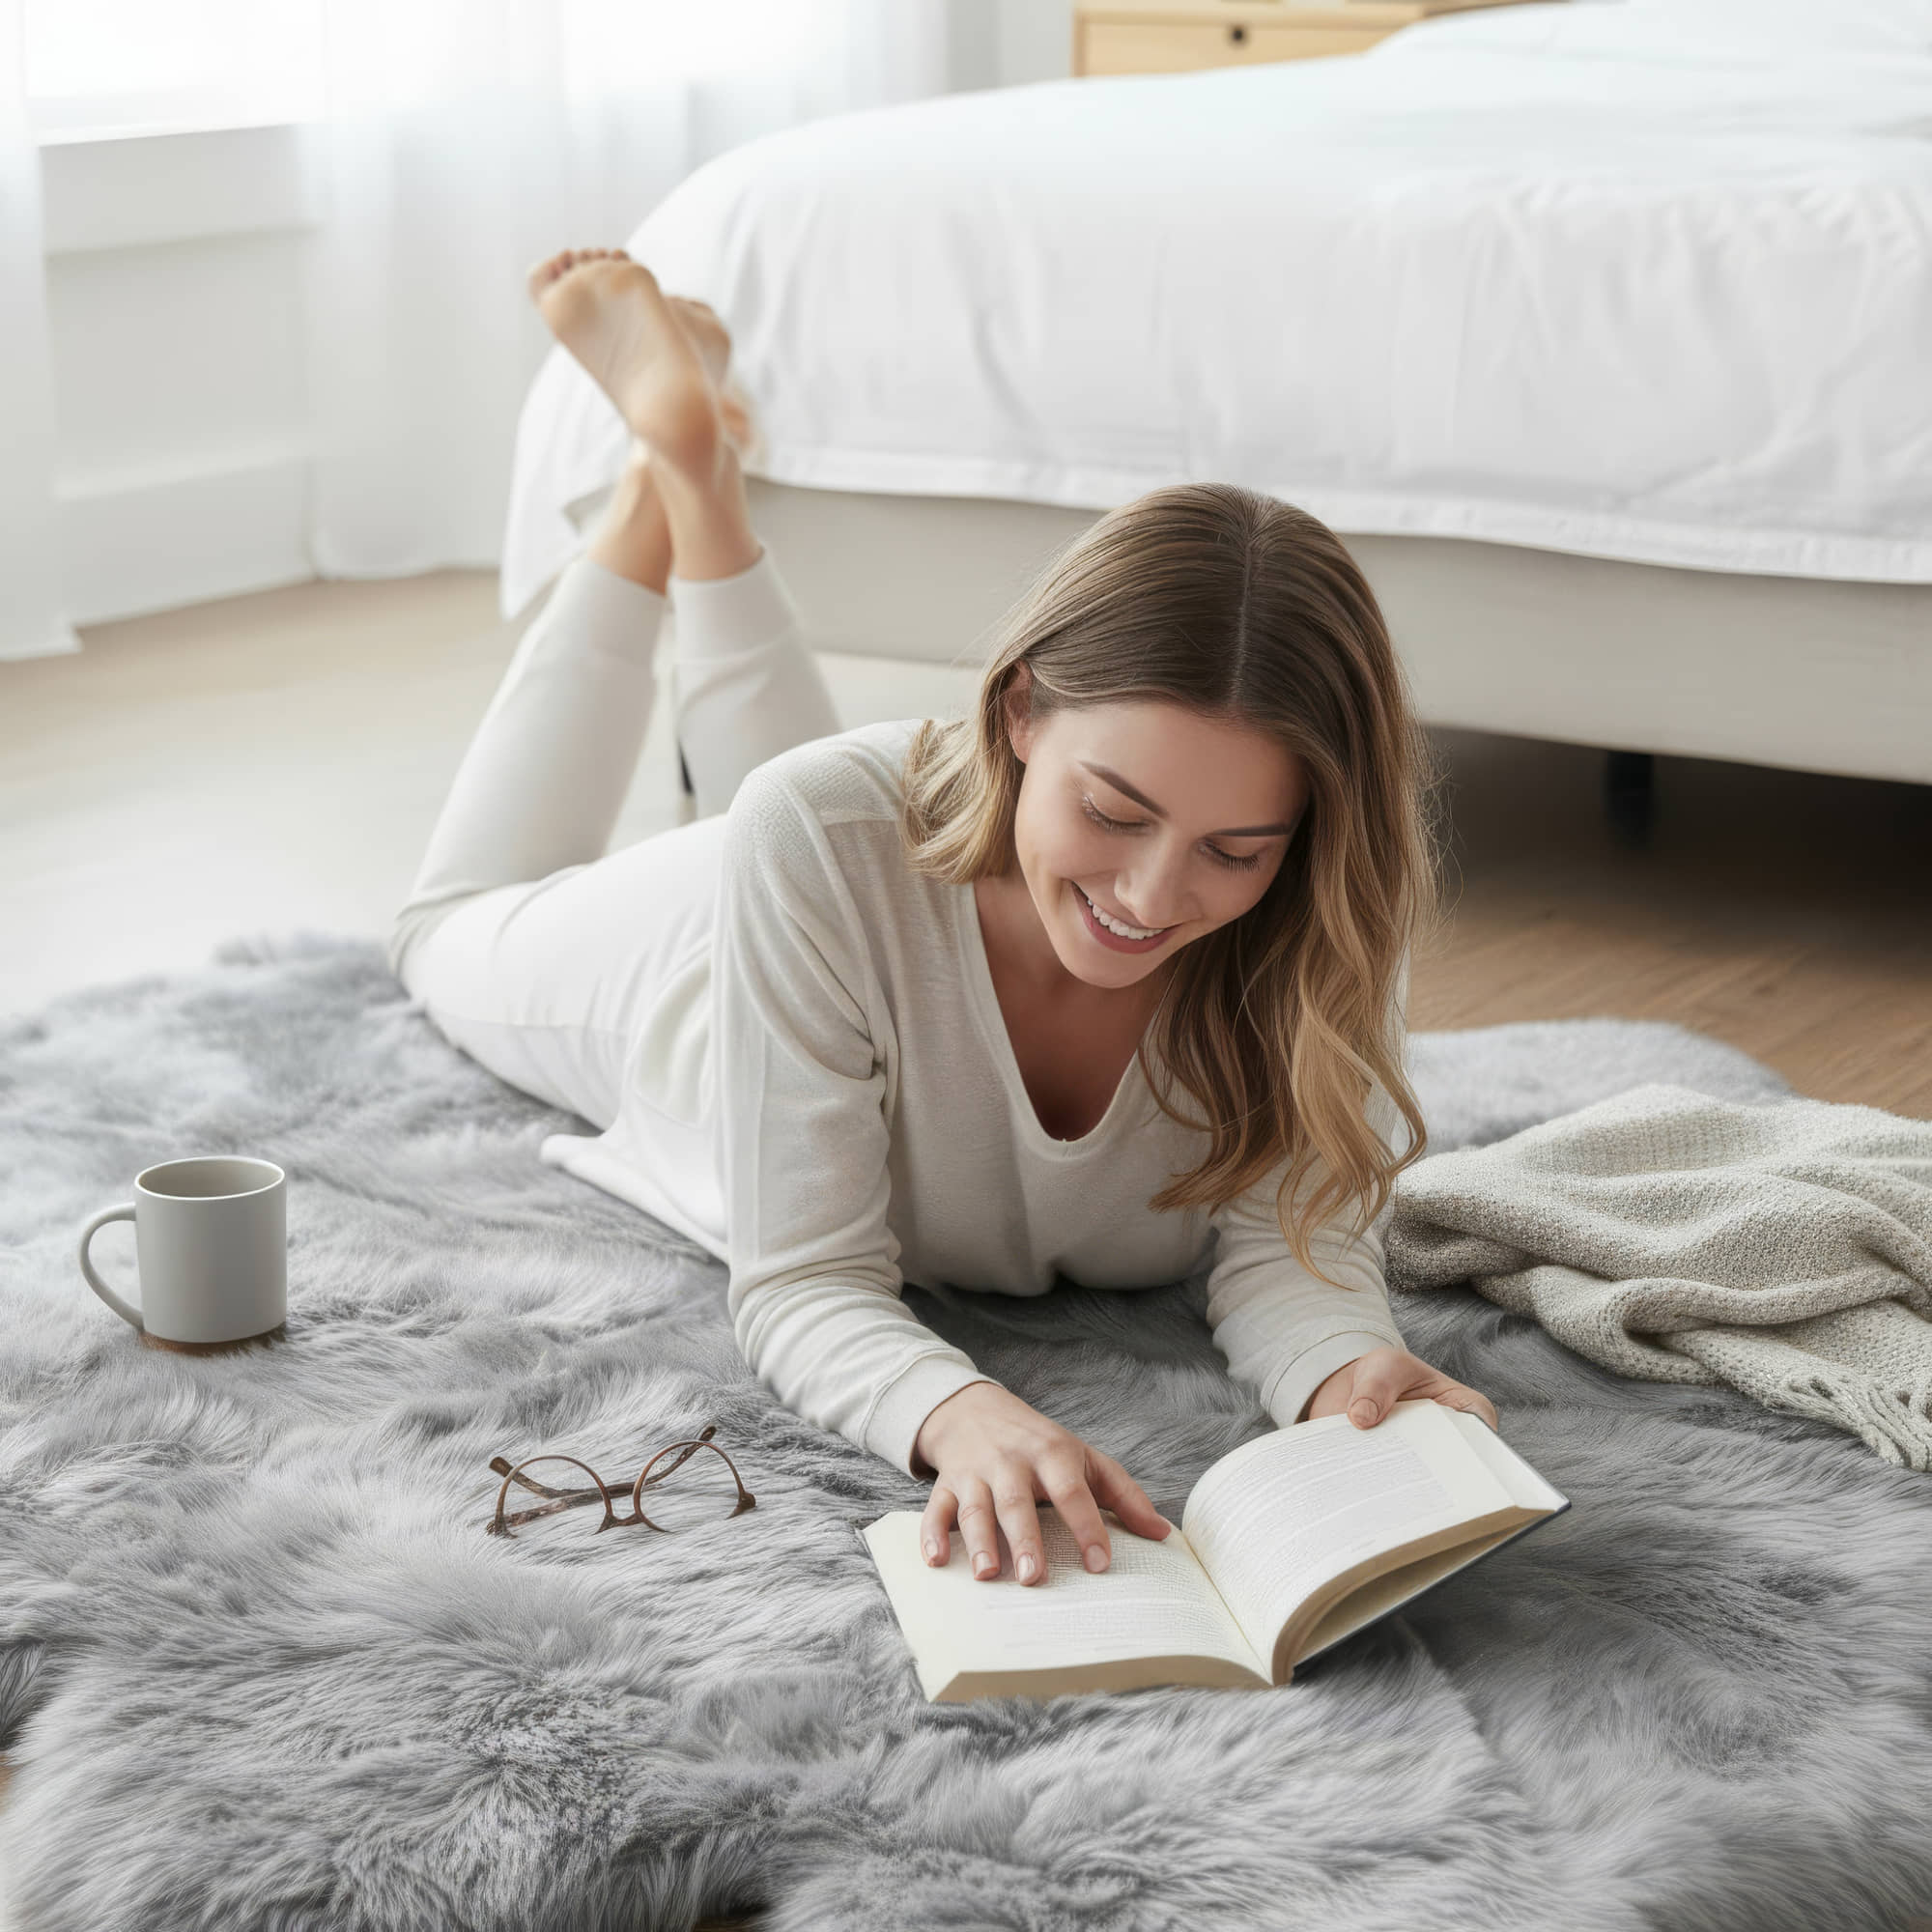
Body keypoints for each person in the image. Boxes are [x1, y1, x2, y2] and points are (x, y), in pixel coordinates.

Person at [389, 246, 1498, 1590]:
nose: (1156, 899)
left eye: (1233, 848)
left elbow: (1287, 1243)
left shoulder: (1312, 912)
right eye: (1117, 810)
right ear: (1022, 711)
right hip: (682, 987)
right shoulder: (819, 837)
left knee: (815, 818)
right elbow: (803, 1279)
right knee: (449, 929)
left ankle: (695, 472)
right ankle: (660, 491)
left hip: (871, 859)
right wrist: (960, 1413)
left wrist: (1346, 1372)